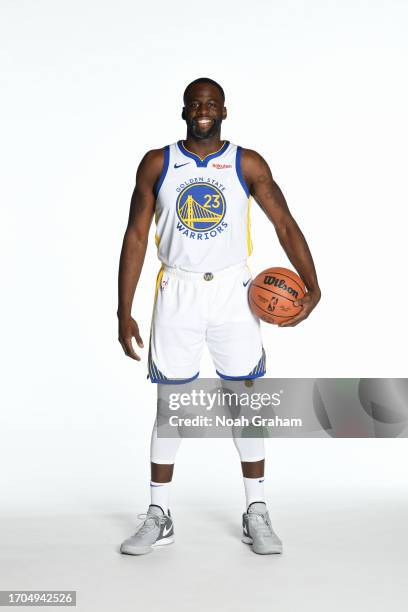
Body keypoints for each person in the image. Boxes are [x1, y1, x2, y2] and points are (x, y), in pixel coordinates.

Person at [117, 77, 321, 555]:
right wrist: (123, 308)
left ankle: (256, 510)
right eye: (195, 104)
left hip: (234, 291)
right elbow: (134, 237)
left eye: (211, 104)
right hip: (178, 290)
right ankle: (158, 513)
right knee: (172, 407)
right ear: (183, 110)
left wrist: (314, 285)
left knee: (244, 404)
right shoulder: (157, 163)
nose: (202, 110)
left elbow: (285, 224)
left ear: (224, 111)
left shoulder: (246, 162)